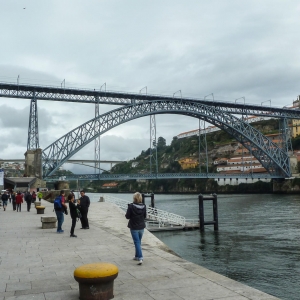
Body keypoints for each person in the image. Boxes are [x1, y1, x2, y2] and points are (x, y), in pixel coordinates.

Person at [125, 192, 147, 265]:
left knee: (136, 242)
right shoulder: (144, 206)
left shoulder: (131, 206)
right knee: (138, 242)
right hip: (141, 226)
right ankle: (137, 256)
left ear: (134, 198)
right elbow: (145, 216)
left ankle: (140, 257)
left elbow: (127, 216)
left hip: (134, 226)